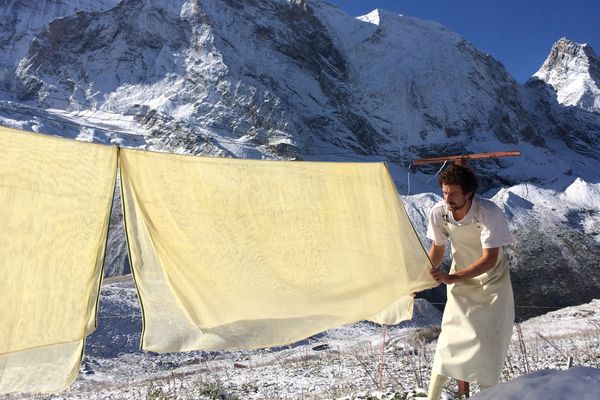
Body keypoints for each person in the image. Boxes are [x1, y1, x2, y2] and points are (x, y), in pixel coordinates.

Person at [425, 164, 514, 400]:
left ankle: (487, 395)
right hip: (460, 282)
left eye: (453, 193)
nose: (447, 198)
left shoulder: (488, 213)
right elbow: (437, 248)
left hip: (492, 284)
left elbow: (489, 260)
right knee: (449, 340)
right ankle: (431, 396)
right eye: (444, 193)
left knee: (487, 344)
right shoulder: (438, 213)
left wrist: (451, 278)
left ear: (468, 194)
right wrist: (424, 277)